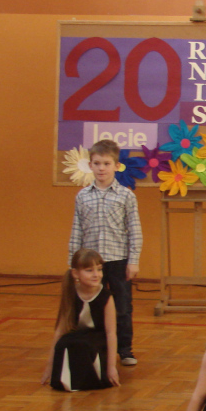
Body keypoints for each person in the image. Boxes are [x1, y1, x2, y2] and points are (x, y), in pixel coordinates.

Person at [68, 139, 143, 366]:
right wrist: (73, 263)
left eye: (107, 164)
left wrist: (133, 260)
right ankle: (95, 347)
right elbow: (76, 230)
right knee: (91, 304)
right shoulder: (83, 196)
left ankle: (125, 350)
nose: (102, 168)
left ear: (116, 166)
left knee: (122, 307)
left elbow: (134, 230)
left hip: (118, 260)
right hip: (90, 263)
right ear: (90, 165)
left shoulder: (126, 196)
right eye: (97, 163)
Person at [41, 249, 121, 391]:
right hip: (79, 334)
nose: (96, 274)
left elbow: (111, 333)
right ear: (75, 273)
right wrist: (49, 366)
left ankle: (92, 378)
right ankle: (65, 379)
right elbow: (60, 330)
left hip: (98, 338)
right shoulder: (71, 293)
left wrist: (112, 367)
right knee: (64, 343)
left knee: (86, 345)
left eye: (99, 269)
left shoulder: (106, 297)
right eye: (89, 270)